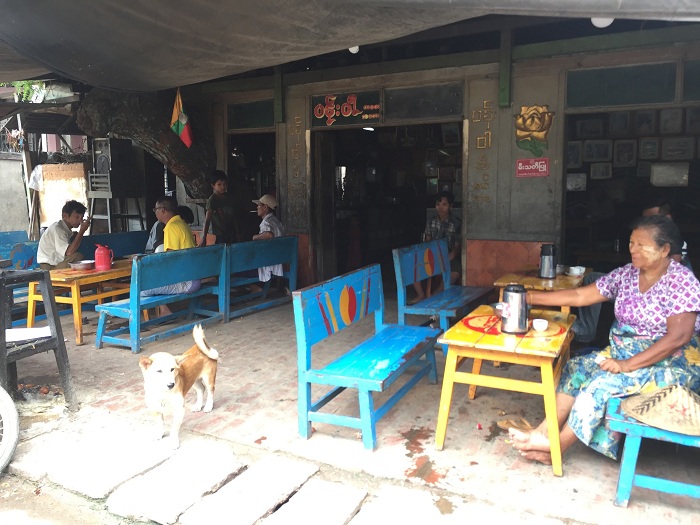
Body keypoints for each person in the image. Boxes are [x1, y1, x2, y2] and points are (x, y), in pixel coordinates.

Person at [509, 215, 700, 465]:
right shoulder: (627, 275)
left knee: (602, 384)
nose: (633, 249)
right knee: (577, 367)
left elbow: (678, 337)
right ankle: (545, 431)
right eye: (631, 243)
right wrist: (528, 297)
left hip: (670, 363)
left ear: (665, 249)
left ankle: (556, 448)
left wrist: (627, 365)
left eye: (642, 245)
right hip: (624, 354)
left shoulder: (681, 281)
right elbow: (580, 295)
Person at [573, 196, 692, 344]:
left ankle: (586, 331)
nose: (646, 225)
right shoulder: (630, 270)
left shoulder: (673, 253)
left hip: (653, 313)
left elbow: (665, 271)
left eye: (652, 219)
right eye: (645, 220)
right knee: (592, 279)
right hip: (630, 341)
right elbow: (579, 295)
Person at [141, 196, 200, 316]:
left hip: (187, 282)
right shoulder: (182, 224)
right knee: (153, 280)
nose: (155, 212)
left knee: (141, 287)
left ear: (163, 210)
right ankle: (164, 310)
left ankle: (165, 311)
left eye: (155, 209)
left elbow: (170, 261)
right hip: (194, 275)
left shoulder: (171, 227)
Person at [411, 190, 461, 304]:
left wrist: (450, 256)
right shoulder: (431, 221)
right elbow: (427, 240)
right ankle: (421, 295)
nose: (440, 208)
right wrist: (427, 254)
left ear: (450, 206)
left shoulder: (456, 223)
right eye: (438, 204)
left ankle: (435, 295)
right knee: (413, 269)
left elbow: (457, 246)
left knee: (454, 274)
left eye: (444, 205)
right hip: (432, 252)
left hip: (448, 253)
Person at [37, 200, 90, 270]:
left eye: (82, 218)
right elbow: (69, 252)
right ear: (65, 216)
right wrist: (82, 231)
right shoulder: (58, 229)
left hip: (56, 264)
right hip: (49, 268)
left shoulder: (65, 229)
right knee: (78, 256)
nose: (80, 221)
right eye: (77, 217)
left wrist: (76, 235)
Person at [249, 194, 285, 292]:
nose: (257, 207)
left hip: (269, 263)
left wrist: (255, 237)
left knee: (236, 272)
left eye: (259, 205)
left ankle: (256, 288)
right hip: (278, 261)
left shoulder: (266, 223)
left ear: (265, 207)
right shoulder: (277, 222)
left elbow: (269, 234)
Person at [199, 170, 238, 246]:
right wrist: (204, 238)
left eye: (224, 184)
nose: (223, 187)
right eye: (219, 184)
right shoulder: (212, 200)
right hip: (220, 235)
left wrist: (238, 232)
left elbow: (234, 217)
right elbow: (207, 220)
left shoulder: (229, 197)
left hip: (232, 232)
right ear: (213, 186)